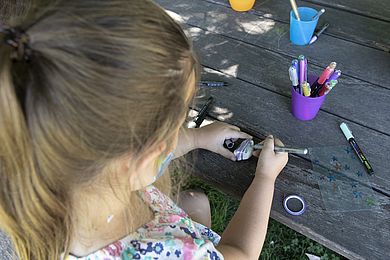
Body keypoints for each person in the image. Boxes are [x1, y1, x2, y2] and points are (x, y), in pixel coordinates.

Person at [0, 0, 288, 259]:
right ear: (138, 159)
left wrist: (199, 136)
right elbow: (241, 252)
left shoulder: (37, 184)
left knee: (195, 201)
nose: (180, 128)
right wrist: (265, 178)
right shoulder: (181, 254)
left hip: (161, 222)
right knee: (196, 204)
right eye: (178, 122)